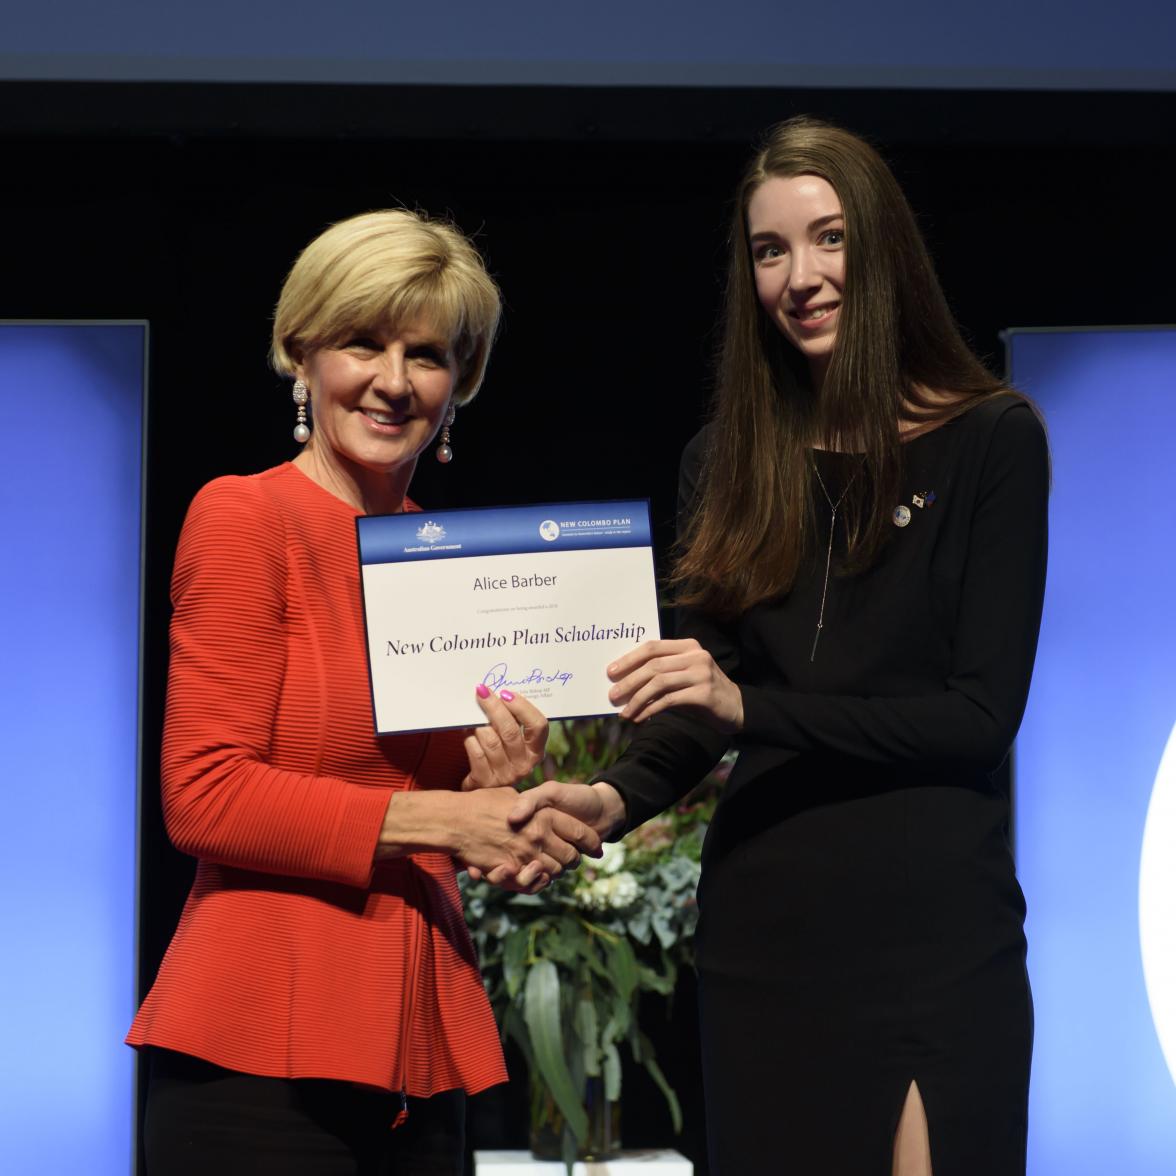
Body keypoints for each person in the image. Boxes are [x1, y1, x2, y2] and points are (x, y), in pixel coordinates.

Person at [510, 117, 1049, 1175]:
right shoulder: (725, 460)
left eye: (829, 238)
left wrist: (746, 710)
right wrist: (611, 801)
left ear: (883, 248)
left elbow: (976, 719)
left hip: (932, 937)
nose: (800, 277)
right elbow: (690, 702)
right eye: (770, 251)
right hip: (767, 939)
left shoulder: (995, 440)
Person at [127, 208, 601, 1175]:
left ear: (460, 382)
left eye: (426, 354)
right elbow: (203, 795)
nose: (393, 381)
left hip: (416, 1055)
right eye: (361, 343)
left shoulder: (448, 562)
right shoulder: (243, 516)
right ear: (302, 355)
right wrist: (445, 821)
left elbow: (447, 829)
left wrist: (500, 805)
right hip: (258, 1060)